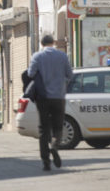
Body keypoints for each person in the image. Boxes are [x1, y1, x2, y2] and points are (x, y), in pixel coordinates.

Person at [28, 34, 73, 171]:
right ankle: (54, 146)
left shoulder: (37, 56)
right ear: (53, 43)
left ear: (42, 44)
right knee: (58, 127)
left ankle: (46, 162)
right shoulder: (62, 56)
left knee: (43, 129)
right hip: (59, 97)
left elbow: (30, 73)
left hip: (43, 97)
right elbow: (70, 75)